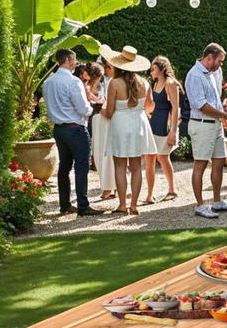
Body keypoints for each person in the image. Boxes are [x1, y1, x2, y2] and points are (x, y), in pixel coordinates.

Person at [43, 48, 102, 217]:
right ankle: (83, 206)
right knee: (81, 166)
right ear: (68, 60)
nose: (76, 63)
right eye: (74, 60)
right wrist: (94, 108)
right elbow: (83, 108)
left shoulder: (48, 82)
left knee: (64, 166)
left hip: (59, 129)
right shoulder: (73, 82)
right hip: (75, 128)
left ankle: (65, 204)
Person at [185, 42, 227, 219]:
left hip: (214, 124)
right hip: (201, 124)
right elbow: (201, 105)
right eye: (220, 61)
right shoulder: (194, 75)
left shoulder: (215, 73)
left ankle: (217, 201)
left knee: (219, 161)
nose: (221, 64)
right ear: (210, 57)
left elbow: (215, 100)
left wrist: (224, 110)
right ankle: (200, 205)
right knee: (200, 164)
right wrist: (224, 115)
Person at [102, 44, 156, 216]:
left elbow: (109, 112)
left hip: (120, 124)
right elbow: (149, 106)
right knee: (136, 167)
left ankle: (122, 205)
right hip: (139, 123)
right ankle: (134, 205)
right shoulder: (145, 83)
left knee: (120, 166)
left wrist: (101, 111)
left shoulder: (114, 83)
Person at [143, 55, 181, 203]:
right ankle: (149, 195)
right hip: (152, 123)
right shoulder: (155, 83)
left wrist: (173, 131)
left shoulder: (170, 83)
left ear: (161, 68)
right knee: (149, 159)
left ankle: (172, 189)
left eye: (153, 69)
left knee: (163, 157)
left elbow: (175, 108)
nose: (151, 72)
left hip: (164, 124)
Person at [84, 61, 115, 201]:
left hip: (104, 120)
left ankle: (110, 187)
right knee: (97, 153)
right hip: (93, 120)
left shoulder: (103, 85)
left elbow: (104, 100)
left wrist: (101, 101)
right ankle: (106, 186)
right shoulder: (85, 87)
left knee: (106, 153)